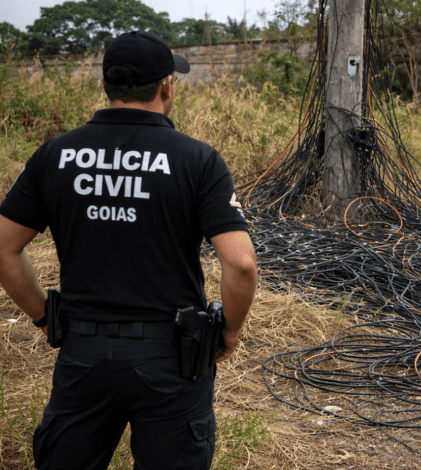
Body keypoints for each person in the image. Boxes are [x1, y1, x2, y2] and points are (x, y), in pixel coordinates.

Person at [0, 31, 257, 469]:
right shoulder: (197, 159)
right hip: (171, 361)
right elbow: (241, 263)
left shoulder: (55, 154)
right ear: (165, 86)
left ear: (107, 85)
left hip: (82, 353)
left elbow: (4, 248)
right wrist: (228, 333)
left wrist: (45, 316)